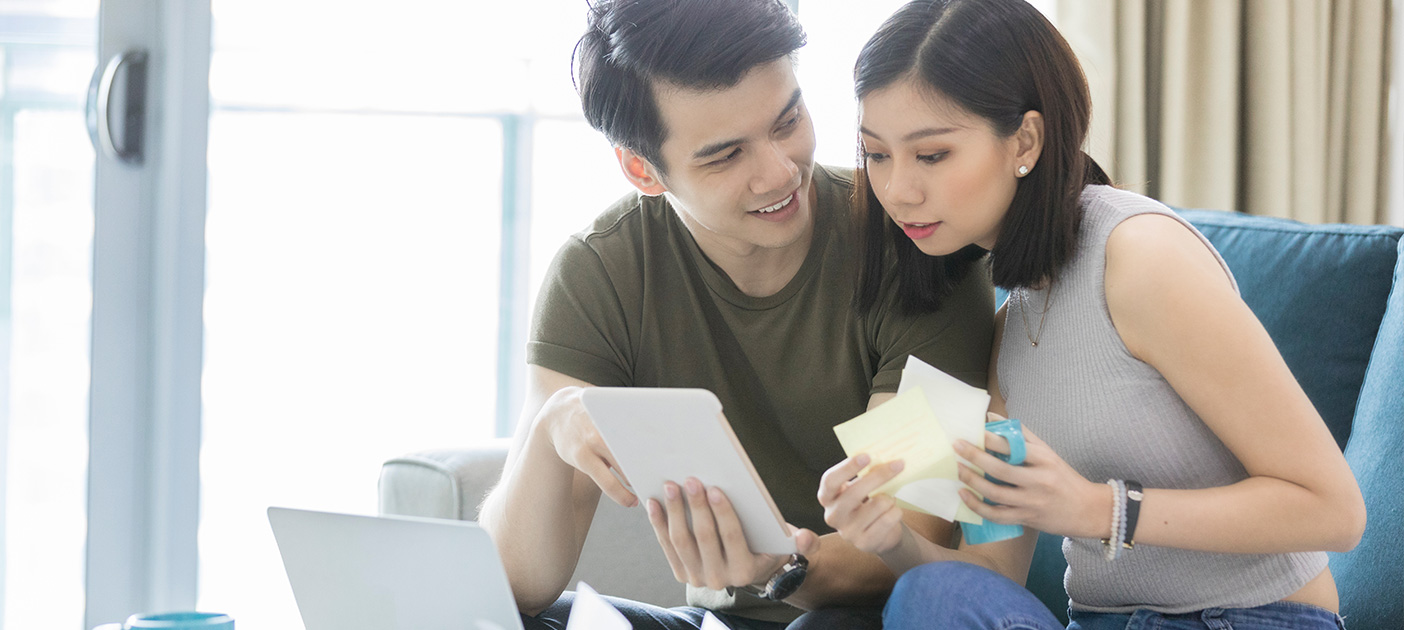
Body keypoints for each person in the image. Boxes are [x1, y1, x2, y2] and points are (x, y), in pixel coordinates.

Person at [816, 0, 1367, 628]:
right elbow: (990, 576)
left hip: (1250, 618)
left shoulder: (1139, 257)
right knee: (925, 598)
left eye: (932, 155)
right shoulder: (1010, 324)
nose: (897, 190)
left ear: (1025, 140)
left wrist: (1094, 509)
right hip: (1101, 621)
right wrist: (887, 536)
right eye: (876, 155)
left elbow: (1334, 510)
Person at [475, 1, 995, 629]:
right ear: (643, 169)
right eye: (726, 156)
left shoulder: (913, 247)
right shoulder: (603, 272)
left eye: (788, 120)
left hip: (866, 618)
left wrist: (775, 567)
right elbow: (516, 586)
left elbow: (909, 537)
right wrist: (551, 427)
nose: (779, 173)